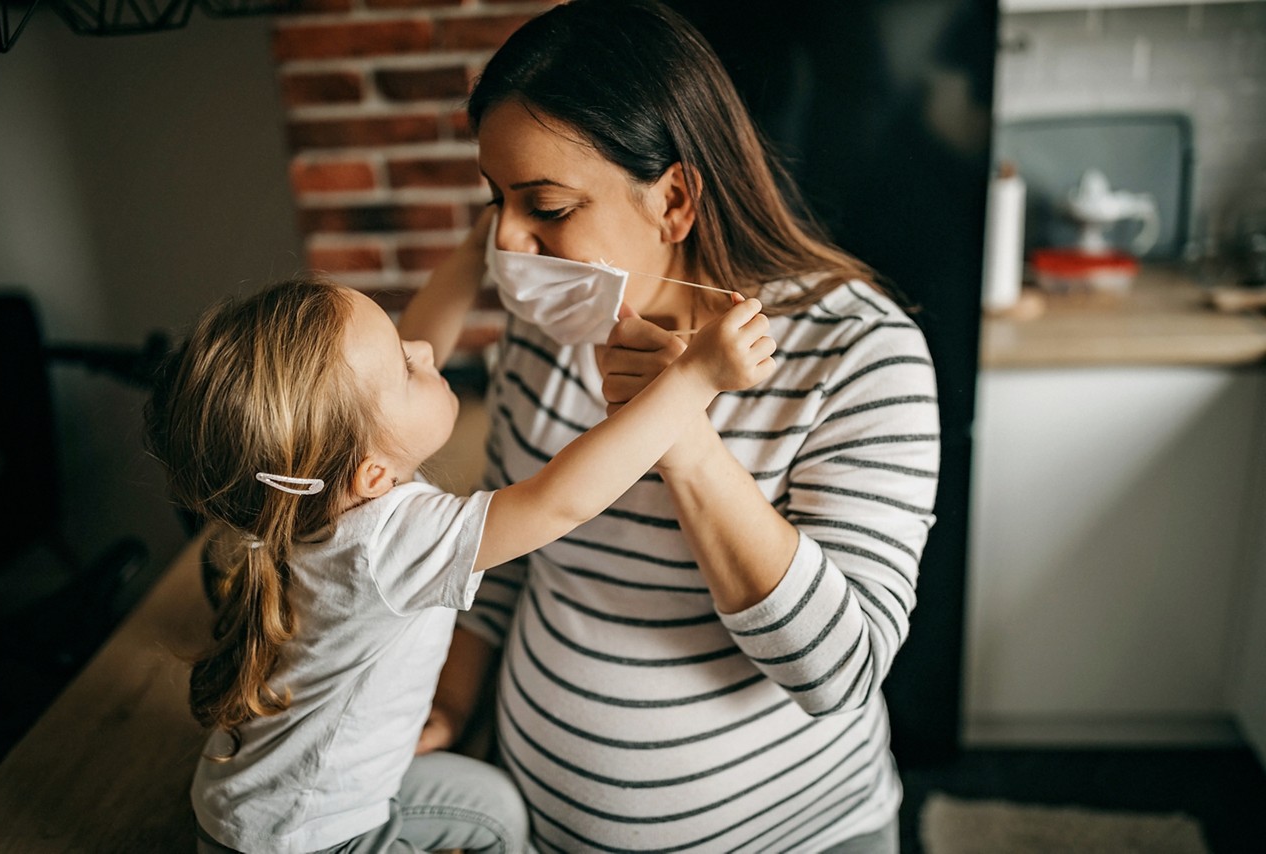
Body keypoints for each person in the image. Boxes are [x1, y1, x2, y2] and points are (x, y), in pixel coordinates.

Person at [410, 1, 941, 852]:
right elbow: (508, 540)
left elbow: (838, 669)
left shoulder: (862, 353)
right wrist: (450, 701)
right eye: (495, 199)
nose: (505, 240)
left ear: (676, 199)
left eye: (544, 206)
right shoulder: (551, 318)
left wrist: (682, 437)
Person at [144, 243, 777, 853]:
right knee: (498, 825)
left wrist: (477, 251)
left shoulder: (310, 501)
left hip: (261, 807)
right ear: (371, 475)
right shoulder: (387, 544)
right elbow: (560, 500)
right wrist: (696, 378)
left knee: (492, 806)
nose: (424, 347)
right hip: (322, 837)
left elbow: (409, 358)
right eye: (405, 364)